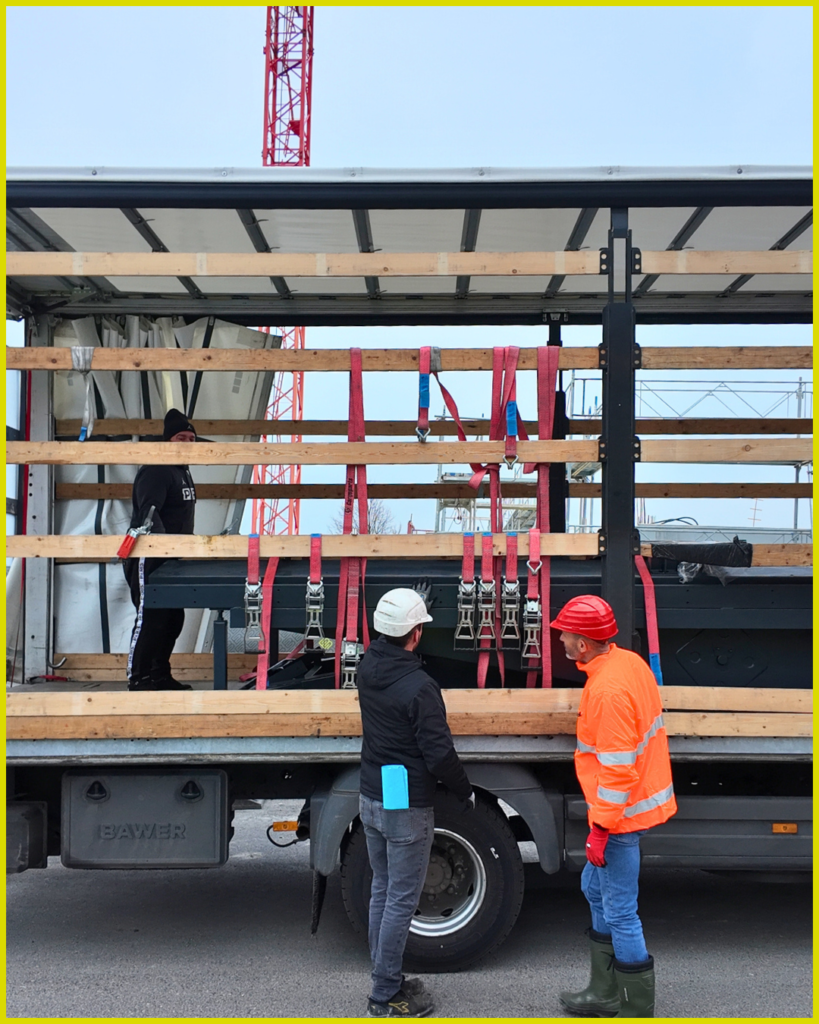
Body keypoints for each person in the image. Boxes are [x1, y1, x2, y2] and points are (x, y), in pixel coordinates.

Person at [552, 595, 676, 1019]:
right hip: (629, 808)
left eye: (565, 633)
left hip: (620, 817)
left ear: (583, 644)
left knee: (621, 912)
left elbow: (618, 769)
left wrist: (601, 829)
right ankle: (605, 989)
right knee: (593, 888)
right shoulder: (627, 662)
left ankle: (632, 1005)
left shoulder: (607, 691)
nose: (561, 639)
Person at [357, 588, 474, 1019]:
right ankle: (385, 994)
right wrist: (465, 791)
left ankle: (385, 977)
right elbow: (439, 754)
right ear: (417, 633)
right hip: (406, 807)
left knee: (382, 893)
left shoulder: (368, 666)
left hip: (373, 796)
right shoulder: (420, 687)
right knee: (401, 900)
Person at [124, 409, 197, 691]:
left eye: (192, 439)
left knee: (172, 618)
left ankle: (159, 675)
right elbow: (148, 514)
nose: (188, 443)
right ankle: (138, 678)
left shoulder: (182, 473)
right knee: (150, 619)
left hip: (173, 558)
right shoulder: (157, 469)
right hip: (150, 556)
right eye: (181, 437)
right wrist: (164, 545)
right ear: (167, 441)